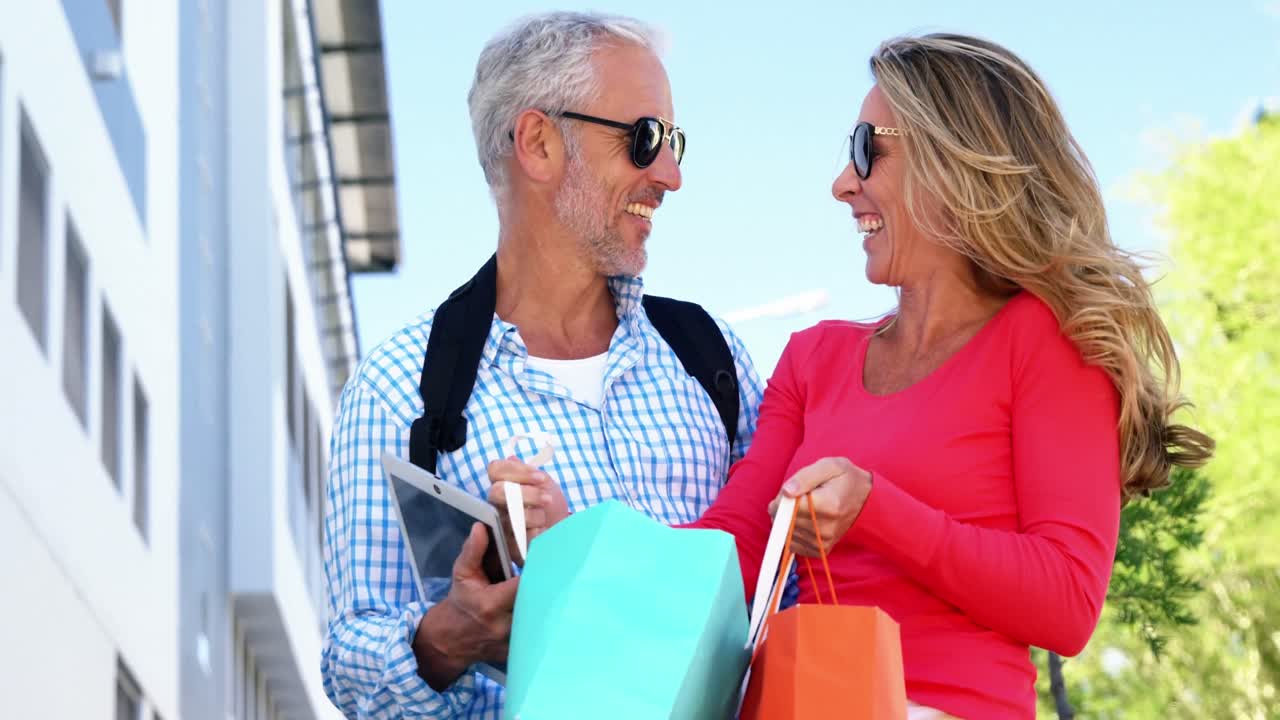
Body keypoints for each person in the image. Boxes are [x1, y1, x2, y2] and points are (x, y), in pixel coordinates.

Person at [510, 33, 1215, 719]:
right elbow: (734, 551)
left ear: (951, 160)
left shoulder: (1047, 341)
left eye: (866, 151)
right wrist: (580, 542)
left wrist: (878, 510)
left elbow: (1067, 604)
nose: (843, 184)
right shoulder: (815, 358)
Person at [319, 12, 763, 720]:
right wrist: (447, 637)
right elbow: (350, 659)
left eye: (674, 142)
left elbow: (787, 586)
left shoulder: (715, 362)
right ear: (538, 142)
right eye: (645, 140)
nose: (671, 176)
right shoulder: (399, 388)